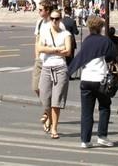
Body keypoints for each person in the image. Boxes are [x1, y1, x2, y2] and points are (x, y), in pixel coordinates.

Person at [68, 16, 117, 148]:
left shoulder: (86, 41)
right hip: (100, 79)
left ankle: (85, 140)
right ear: (101, 28)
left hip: (86, 79)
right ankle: (102, 136)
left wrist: (68, 72)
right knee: (104, 107)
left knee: (86, 111)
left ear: (89, 27)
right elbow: (111, 56)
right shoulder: (105, 41)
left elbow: (80, 58)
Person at [36, 9, 72, 139]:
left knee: (56, 101)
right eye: (52, 18)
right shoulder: (45, 32)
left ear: (60, 19)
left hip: (60, 68)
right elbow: (40, 48)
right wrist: (56, 49)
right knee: (44, 98)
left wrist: (48, 50)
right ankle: (48, 117)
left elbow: (68, 51)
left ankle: (54, 128)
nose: (54, 21)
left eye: (57, 19)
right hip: (46, 68)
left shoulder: (66, 34)